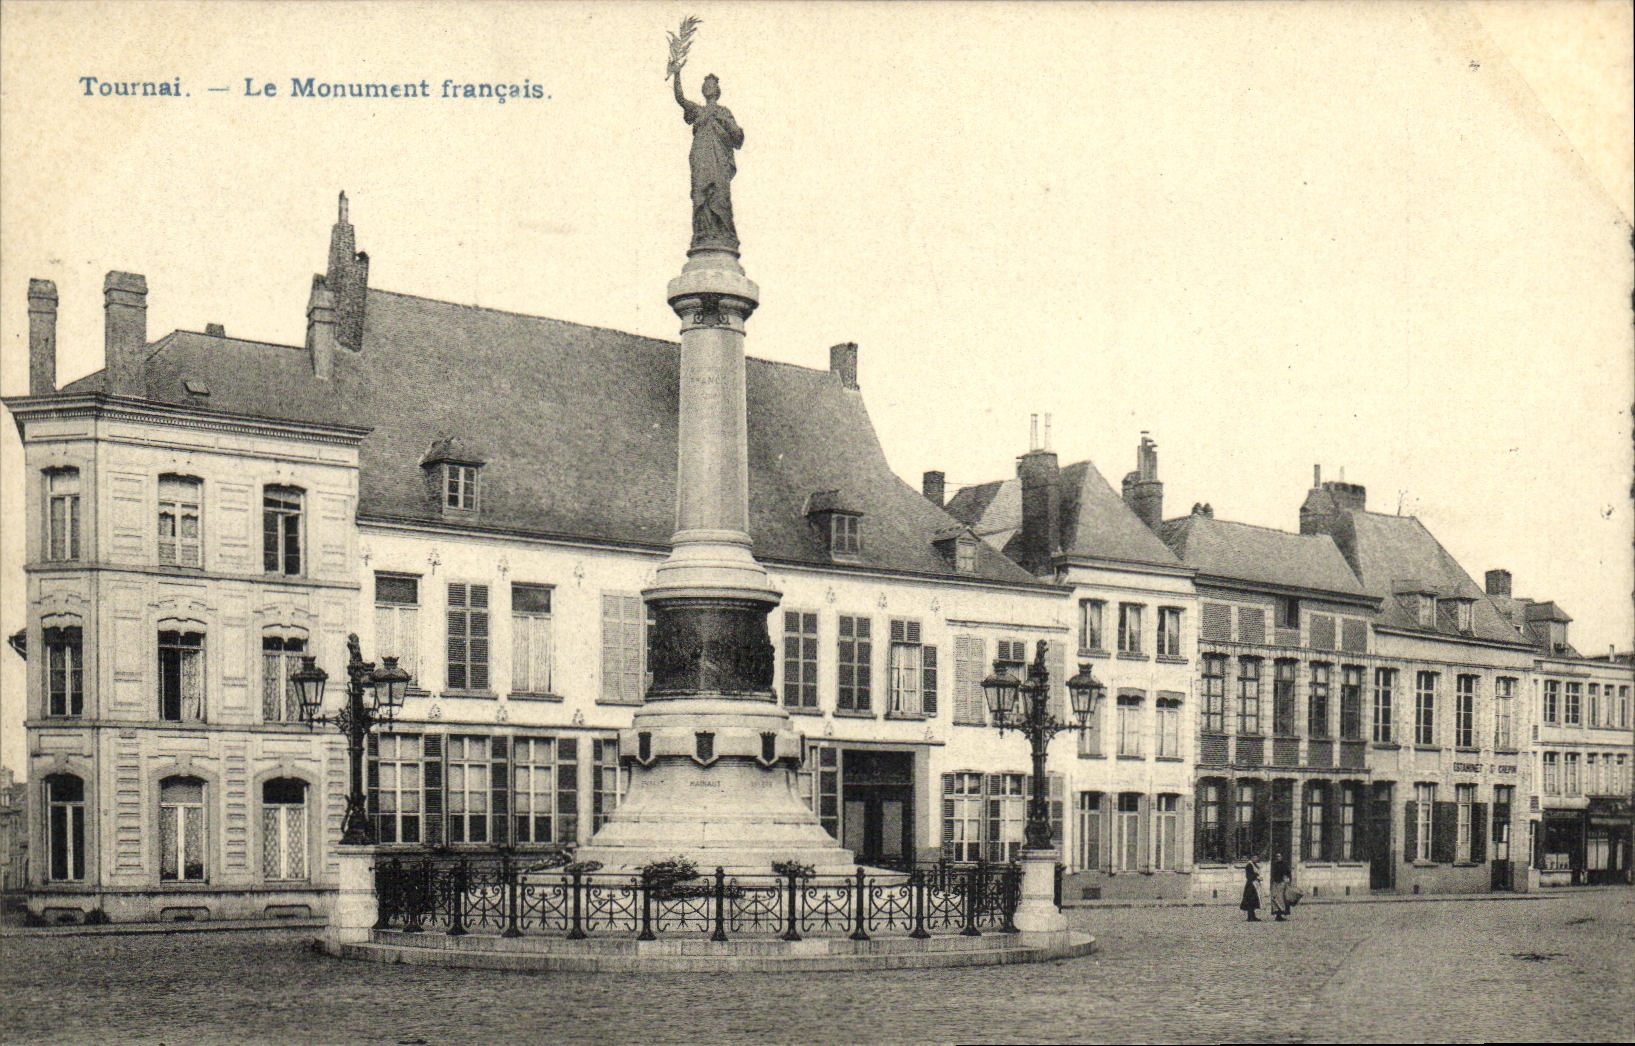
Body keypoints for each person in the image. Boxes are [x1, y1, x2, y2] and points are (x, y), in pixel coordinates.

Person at [673, 72, 744, 250]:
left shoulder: (723, 112)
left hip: (719, 160)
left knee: (719, 194)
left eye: (711, 85)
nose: (708, 87)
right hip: (701, 159)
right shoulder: (698, 111)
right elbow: (680, 98)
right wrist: (677, 73)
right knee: (700, 195)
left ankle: (723, 234)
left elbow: (738, 138)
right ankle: (702, 234)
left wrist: (722, 120)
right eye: (705, 85)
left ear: (717, 90)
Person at [1270, 852, 1292, 921]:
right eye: (1277, 856)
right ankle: (1277, 914)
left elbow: (1288, 873)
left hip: (1282, 883)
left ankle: (1283, 913)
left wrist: (1288, 879)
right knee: (1275, 898)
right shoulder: (1274, 865)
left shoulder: (1284, 865)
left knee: (1282, 899)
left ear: (1282, 857)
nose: (1278, 858)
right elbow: (1272, 875)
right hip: (1275, 883)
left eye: (1279, 856)